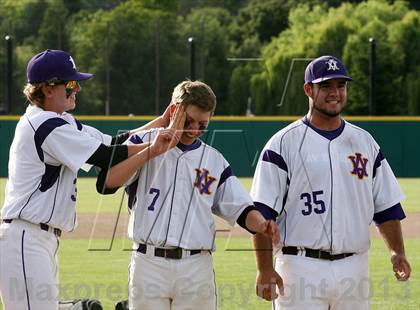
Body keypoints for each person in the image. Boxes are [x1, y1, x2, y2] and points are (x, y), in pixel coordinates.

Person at [0, 49, 175, 310]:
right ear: (48, 89)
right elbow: (105, 155)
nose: (77, 88)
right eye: (71, 83)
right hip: (25, 236)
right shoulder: (43, 124)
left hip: (39, 238)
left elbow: (115, 141)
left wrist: (160, 123)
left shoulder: (63, 121)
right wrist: (154, 147)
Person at [98, 80, 280, 310]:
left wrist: (262, 224)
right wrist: (153, 150)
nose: (194, 130)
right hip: (149, 262)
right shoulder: (143, 141)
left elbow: (241, 209)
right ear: (174, 111)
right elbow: (107, 183)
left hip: (196, 265)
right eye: (188, 121)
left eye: (202, 125)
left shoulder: (214, 160)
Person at [250, 55, 411, 309]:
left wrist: (396, 252)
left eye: (341, 85)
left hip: (354, 266)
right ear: (308, 89)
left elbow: (387, 207)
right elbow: (261, 214)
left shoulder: (364, 142)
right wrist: (265, 267)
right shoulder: (283, 143)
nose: (335, 92)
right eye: (326, 86)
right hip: (300, 266)